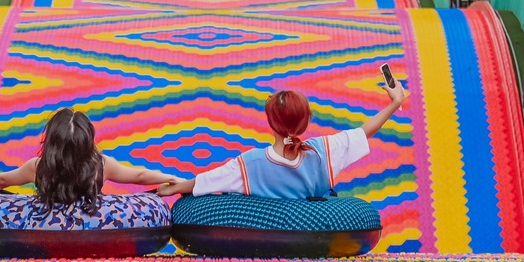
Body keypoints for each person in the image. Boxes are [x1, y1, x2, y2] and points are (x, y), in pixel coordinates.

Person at [163, 80, 409, 199]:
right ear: (306, 121)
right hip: (312, 233)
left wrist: (172, 187)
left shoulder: (249, 163)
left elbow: (203, 181)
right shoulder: (323, 150)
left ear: (271, 124)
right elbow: (364, 131)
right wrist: (395, 102)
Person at [0, 107, 174, 207]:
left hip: (48, 227)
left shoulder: (37, 167)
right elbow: (139, 176)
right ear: (88, 143)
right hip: (90, 226)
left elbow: (2, 180)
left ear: (50, 143)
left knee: (3, 196)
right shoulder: (100, 165)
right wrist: (172, 179)